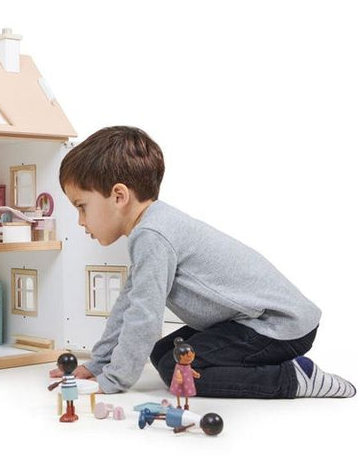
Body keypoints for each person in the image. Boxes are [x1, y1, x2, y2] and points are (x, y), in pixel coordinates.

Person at [50, 126, 355, 399]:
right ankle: (274, 366)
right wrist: (98, 364)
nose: (80, 221)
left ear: (119, 196)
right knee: (162, 352)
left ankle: (293, 378)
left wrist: (112, 381)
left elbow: (145, 316)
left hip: (279, 326)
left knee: (177, 371)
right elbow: (128, 306)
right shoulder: (154, 227)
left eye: (82, 206)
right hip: (255, 323)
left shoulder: (153, 235)